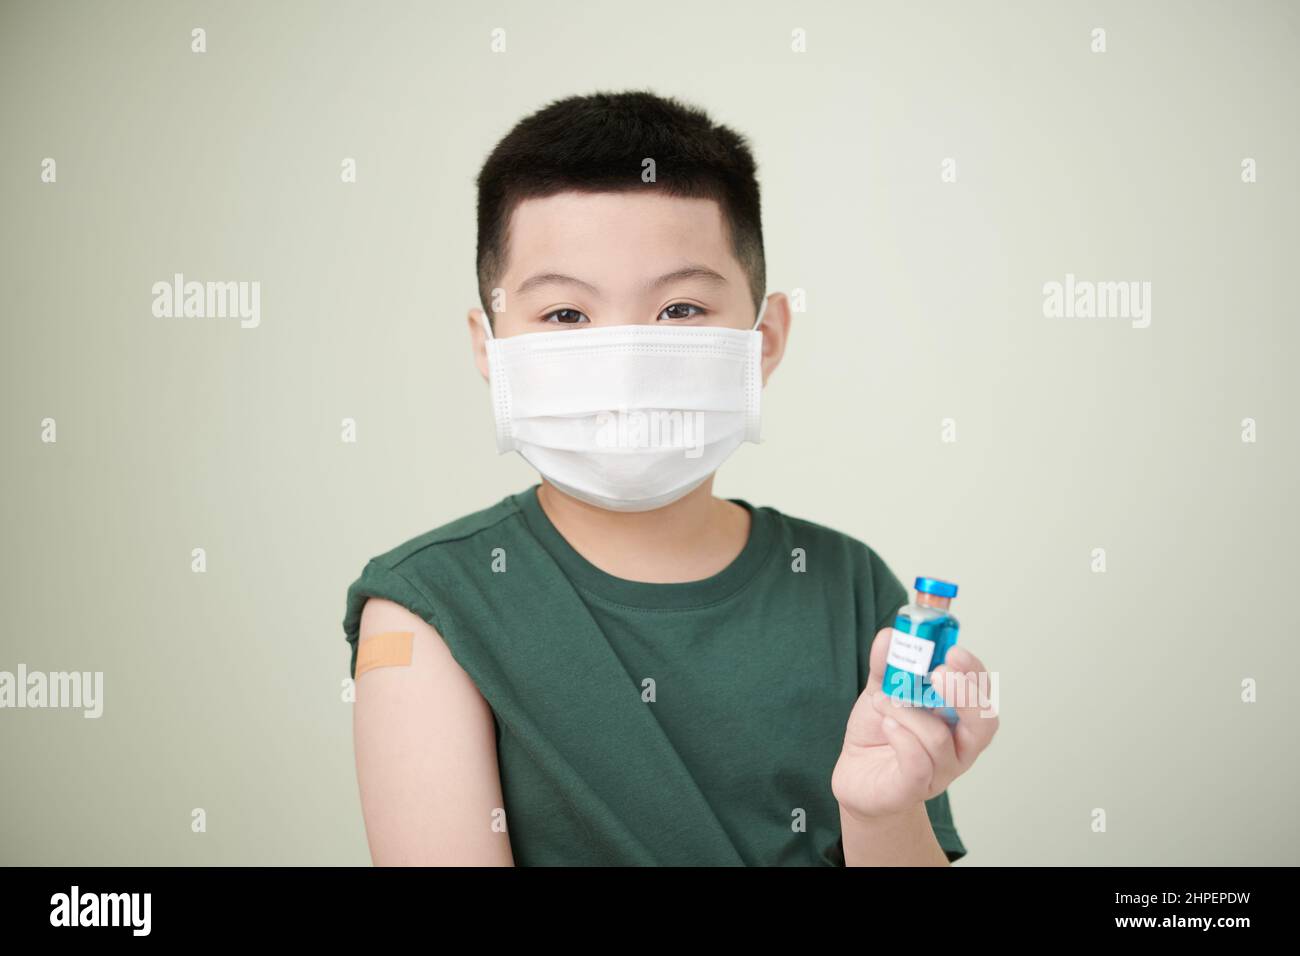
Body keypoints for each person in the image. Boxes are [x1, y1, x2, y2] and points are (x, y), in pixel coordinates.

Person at [342, 89, 998, 866]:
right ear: (491, 349)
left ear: (766, 338)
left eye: (680, 309)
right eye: (565, 317)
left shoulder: (849, 585)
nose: (623, 360)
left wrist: (880, 814)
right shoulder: (430, 610)